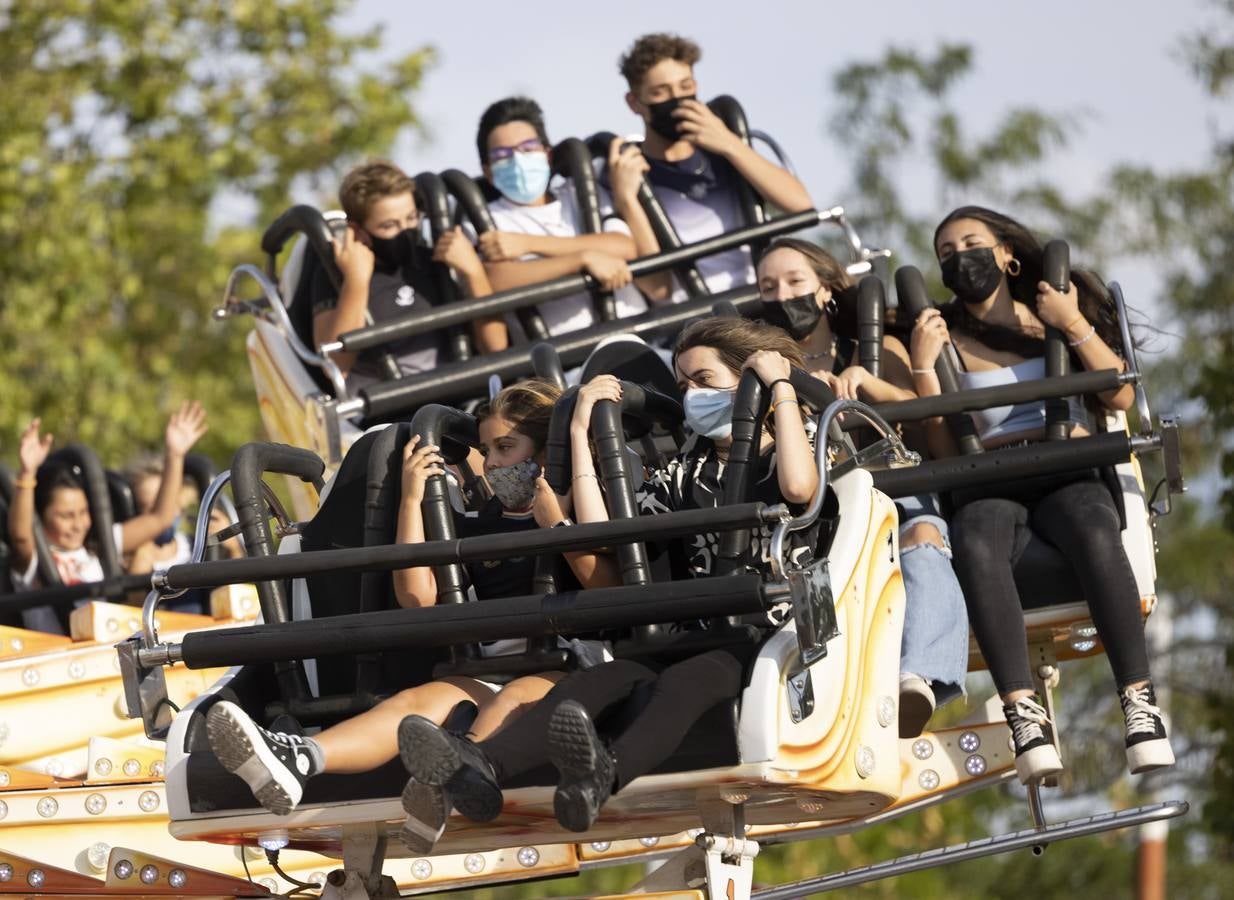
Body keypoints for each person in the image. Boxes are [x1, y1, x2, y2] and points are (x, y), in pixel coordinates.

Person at [395, 317, 825, 839]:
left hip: (771, 628)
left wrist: (778, 386)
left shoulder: (798, 444)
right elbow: (604, 533)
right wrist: (578, 431)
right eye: (684, 384)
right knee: (603, 679)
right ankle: (481, 767)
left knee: (686, 682)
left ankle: (605, 773)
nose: (691, 395)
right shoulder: (685, 472)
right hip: (698, 627)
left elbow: (799, 487)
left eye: (705, 381)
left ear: (746, 381)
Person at [205, 381, 614, 846]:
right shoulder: (479, 524)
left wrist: (554, 528)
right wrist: (412, 500)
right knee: (414, 703)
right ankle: (298, 759)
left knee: (514, 693)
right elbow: (416, 597)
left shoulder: (582, 505)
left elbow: (607, 586)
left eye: (506, 447)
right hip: (496, 673)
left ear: (544, 452)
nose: (495, 463)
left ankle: (449, 785)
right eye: (487, 450)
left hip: (569, 670)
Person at [911, 205, 1173, 782]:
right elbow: (942, 449)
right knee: (975, 536)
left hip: (1066, 469)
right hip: (990, 478)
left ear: (1007, 253)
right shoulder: (945, 337)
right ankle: (1021, 714)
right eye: (947, 255)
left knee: (1090, 524)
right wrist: (926, 370)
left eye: (971, 244)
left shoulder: (1052, 314)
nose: (962, 260)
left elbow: (1122, 398)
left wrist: (1072, 322)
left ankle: (1139, 700)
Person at [756, 238, 969, 736]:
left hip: (892, 492)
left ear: (826, 291)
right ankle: (809, 700)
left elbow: (932, 426)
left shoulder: (873, 351)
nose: (782, 295)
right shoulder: (764, 370)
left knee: (923, 535)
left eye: (794, 282)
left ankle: (917, 679)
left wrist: (869, 385)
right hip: (819, 508)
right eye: (768, 288)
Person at [611, 33, 813, 301]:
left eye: (685, 87)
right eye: (661, 92)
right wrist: (626, 200)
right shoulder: (625, 172)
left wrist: (731, 145)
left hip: (761, 301)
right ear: (634, 102)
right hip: (691, 321)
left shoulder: (725, 150)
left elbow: (800, 204)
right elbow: (658, 288)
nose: (677, 99)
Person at [470, 97, 671, 338]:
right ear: (488, 172)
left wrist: (527, 244)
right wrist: (582, 259)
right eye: (502, 155)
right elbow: (495, 279)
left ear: (547, 155)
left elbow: (623, 246)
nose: (518, 161)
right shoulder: (483, 219)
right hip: (566, 364)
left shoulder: (581, 192)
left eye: (528, 147)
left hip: (641, 337)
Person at [6, 404, 208, 631]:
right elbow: (21, 537)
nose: (78, 524)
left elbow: (159, 518)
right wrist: (26, 474)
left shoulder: (100, 544)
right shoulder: (35, 559)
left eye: (83, 513)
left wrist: (174, 455)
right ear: (41, 518)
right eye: (66, 516)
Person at [310, 160, 503, 389]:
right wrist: (356, 281)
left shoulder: (436, 259)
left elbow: (495, 346)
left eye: (411, 219)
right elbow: (335, 366)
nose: (406, 231)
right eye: (390, 225)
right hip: (387, 414)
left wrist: (473, 272)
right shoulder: (335, 274)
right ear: (358, 230)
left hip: (461, 396)